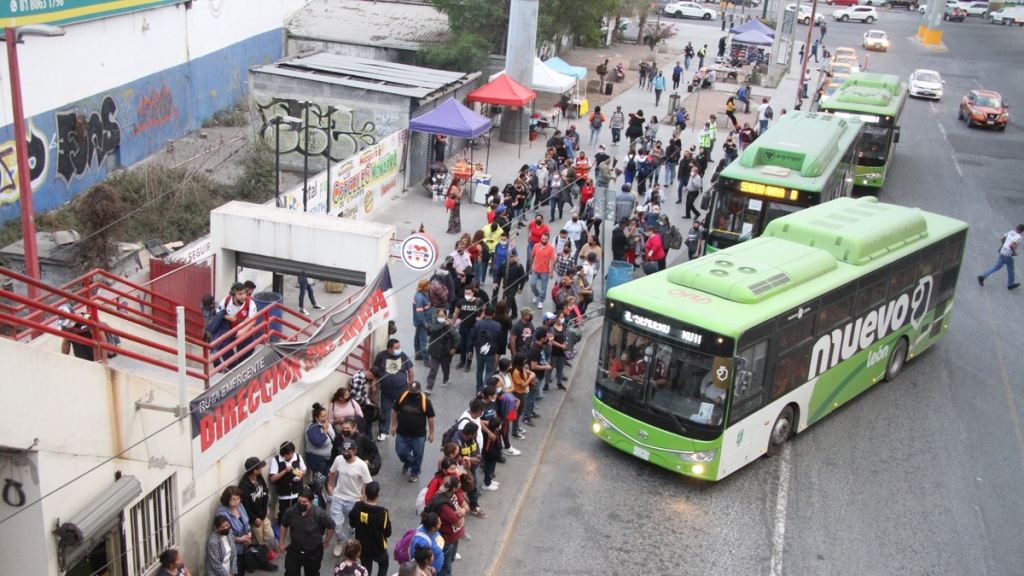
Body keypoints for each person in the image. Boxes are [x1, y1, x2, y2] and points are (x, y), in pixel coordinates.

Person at [327, 438, 372, 554]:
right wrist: (330, 485)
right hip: (338, 497)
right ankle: (341, 542)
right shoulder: (338, 459)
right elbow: (332, 472)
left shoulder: (361, 465)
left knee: (353, 527)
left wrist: (363, 497)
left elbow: (367, 482)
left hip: (354, 500)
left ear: (355, 451)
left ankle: (351, 545)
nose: (346, 453)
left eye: (348, 451)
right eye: (344, 450)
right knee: (335, 525)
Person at [279, 487, 335, 576]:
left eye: (304, 502)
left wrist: (326, 542)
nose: (301, 504)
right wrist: (281, 543)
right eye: (299, 501)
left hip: (313, 553)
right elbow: (283, 526)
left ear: (311, 502)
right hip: (294, 551)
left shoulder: (320, 513)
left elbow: (331, 526)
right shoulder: (291, 511)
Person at [392, 381, 436, 483]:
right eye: (410, 390)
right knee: (400, 452)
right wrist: (393, 425)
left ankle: (415, 472)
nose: (412, 392)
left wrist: (431, 433)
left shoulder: (425, 402)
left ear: (419, 391)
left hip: (418, 435)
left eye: (414, 391)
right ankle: (409, 462)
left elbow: (430, 418)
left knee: (418, 454)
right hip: (402, 433)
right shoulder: (402, 397)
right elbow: (395, 410)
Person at [372, 338, 414, 442]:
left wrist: (410, 385)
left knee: (404, 410)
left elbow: (410, 370)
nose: (399, 349)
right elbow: (375, 371)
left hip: (402, 390)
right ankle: (384, 431)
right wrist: (373, 384)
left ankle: (403, 429)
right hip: (386, 391)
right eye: (396, 347)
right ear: (389, 348)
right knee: (385, 410)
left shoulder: (403, 356)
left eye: (399, 347)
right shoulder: (381, 356)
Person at [424, 475, 465, 576]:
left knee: (450, 561)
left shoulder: (453, 494)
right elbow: (457, 522)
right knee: (445, 568)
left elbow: (465, 505)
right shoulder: (444, 506)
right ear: (454, 488)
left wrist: (462, 511)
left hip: (454, 537)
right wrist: (462, 514)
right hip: (446, 540)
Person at [348, 481, 391, 576]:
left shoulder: (357, 506)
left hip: (363, 547)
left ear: (365, 493)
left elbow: (352, 523)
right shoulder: (382, 513)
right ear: (378, 494)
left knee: (366, 569)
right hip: (379, 548)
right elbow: (388, 533)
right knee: (383, 565)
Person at [215, 486, 252, 575]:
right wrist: (239, 539)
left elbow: (246, 522)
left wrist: (249, 533)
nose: (236, 502)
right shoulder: (222, 512)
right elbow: (223, 533)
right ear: (227, 499)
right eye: (232, 499)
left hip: (244, 546)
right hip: (233, 549)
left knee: (242, 570)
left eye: (238, 499)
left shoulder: (240, 506)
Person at [269, 441, 306, 523]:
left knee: (297, 512)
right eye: (288, 454)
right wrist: (285, 471)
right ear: (283, 453)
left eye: (292, 453)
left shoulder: (298, 457)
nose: (290, 456)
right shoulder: (276, 460)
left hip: (297, 490)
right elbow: (273, 478)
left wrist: (300, 473)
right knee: (283, 513)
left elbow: (304, 470)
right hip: (284, 492)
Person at [979, 224, 1024, 290]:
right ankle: (1010, 284)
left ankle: (982, 277)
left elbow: (1002, 238)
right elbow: (1011, 245)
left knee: (996, 266)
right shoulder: (1018, 237)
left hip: (1002, 251)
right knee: (1011, 269)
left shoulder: (1011, 232)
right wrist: (1014, 252)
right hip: (1008, 254)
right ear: (1022, 231)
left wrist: (1004, 245)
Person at [426, 310, 460, 391]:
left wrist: (454, 348)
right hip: (434, 351)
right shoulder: (435, 324)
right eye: (439, 316)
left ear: (446, 316)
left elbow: (457, 337)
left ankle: (446, 379)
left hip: (445, 351)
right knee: (433, 369)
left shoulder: (449, 327)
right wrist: (442, 325)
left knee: (445, 367)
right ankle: (429, 386)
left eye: (442, 316)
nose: (441, 317)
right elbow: (431, 330)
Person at [469, 306, 501, 392]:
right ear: (493, 314)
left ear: (485, 313)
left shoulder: (478, 324)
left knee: (479, 369)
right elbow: (499, 339)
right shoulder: (497, 325)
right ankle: (485, 388)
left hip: (479, 350)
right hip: (491, 351)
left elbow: (472, 337)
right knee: (489, 371)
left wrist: (470, 349)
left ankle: (479, 388)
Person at [305, 403, 336, 480]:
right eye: (322, 416)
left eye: (326, 415)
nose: (325, 418)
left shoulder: (326, 423)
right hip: (317, 459)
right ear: (316, 418)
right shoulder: (312, 429)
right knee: (320, 479)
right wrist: (325, 431)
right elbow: (318, 442)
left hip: (328, 458)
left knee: (328, 477)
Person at [530, 232, 556, 308]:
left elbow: (553, 260)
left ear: (548, 239)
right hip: (536, 269)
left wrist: (551, 271)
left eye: (545, 239)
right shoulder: (536, 245)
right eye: (542, 239)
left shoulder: (551, 248)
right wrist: (530, 267)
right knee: (532, 284)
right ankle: (536, 294)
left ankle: (541, 300)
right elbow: (532, 256)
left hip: (545, 271)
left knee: (544, 287)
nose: (543, 240)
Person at [412, 279, 432, 363]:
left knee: (417, 337)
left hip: (421, 321)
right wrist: (424, 323)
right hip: (422, 322)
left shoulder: (422, 295)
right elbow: (419, 313)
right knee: (423, 341)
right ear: (424, 287)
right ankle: (426, 360)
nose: (429, 286)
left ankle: (418, 354)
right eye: (428, 285)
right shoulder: (420, 298)